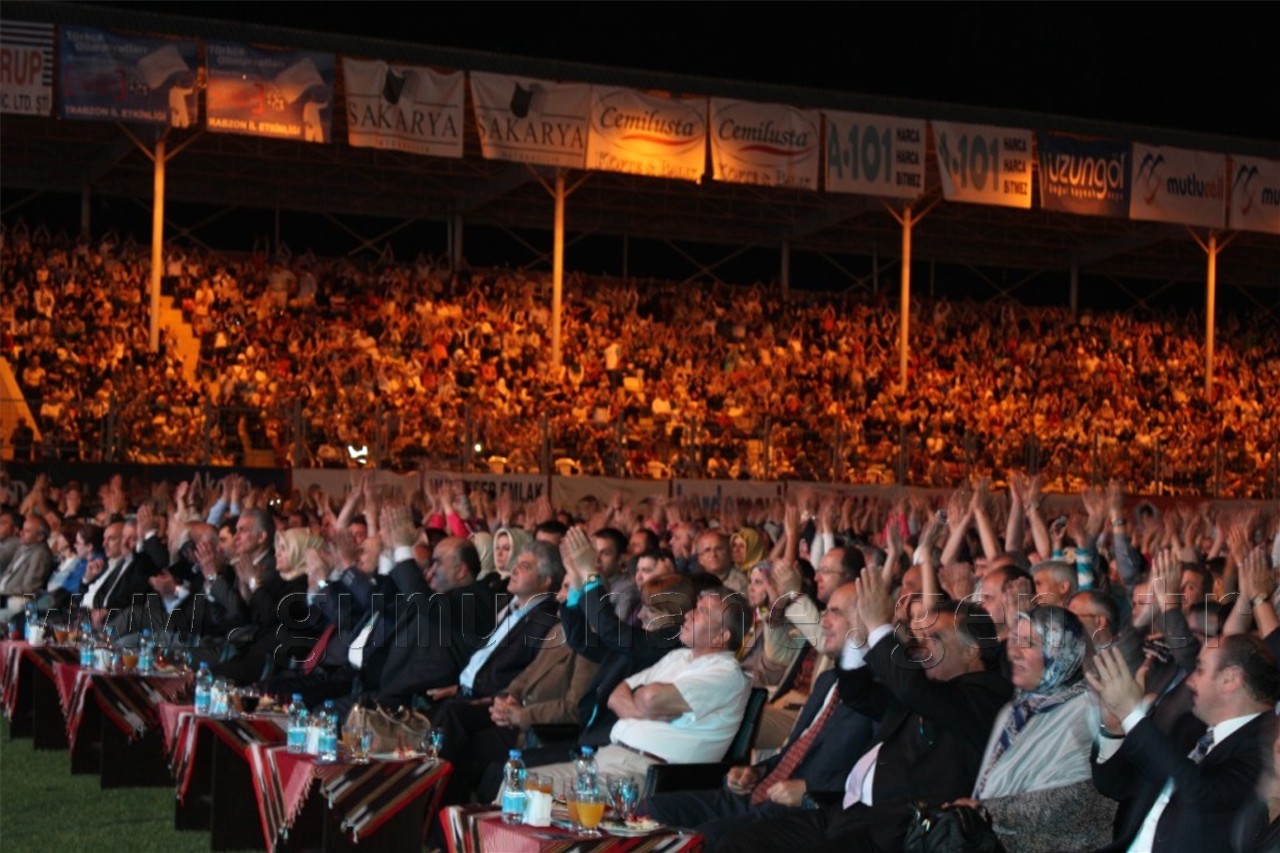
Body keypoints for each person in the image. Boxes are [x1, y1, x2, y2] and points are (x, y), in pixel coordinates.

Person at [719, 569, 1011, 852]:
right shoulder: (927, 689)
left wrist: (880, 627)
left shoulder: (985, 695)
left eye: (935, 639)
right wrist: (859, 638)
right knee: (734, 843)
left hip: (892, 832)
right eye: (921, 639)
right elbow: (858, 693)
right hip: (844, 812)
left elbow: (913, 691)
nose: (923, 648)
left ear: (972, 649)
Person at [645, 582, 876, 850]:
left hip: (802, 809)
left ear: (865, 620)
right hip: (758, 792)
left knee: (707, 838)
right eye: (824, 612)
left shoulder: (879, 694)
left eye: (835, 613)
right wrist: (755, 771)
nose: (822, 621)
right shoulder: (827, 681)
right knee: (651, 809)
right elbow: (795, 751)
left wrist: (809, 791)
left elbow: (872, 777)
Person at [529, 589, 751, 791]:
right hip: (605, 757)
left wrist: (645, 700)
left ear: (722, 636)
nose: (689, 615)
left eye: (702, 612)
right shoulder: (678, 657)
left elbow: (650, 696)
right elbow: (615, 695)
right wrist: (645, 709)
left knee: (531, 793)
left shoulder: (727, 674)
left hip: (644, 774)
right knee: (519, 781)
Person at [1088, 633, 1280, 852]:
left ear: (1230, 679)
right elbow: (1117, 786)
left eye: (1199, 669)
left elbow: (1202, 793)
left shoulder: (1266, 744)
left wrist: (1130, 714)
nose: (1189, 681)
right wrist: (1114, 729)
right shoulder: (1188, 727)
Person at [951, 606, 1116, 851]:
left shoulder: (1087, 712)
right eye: (1014, 640)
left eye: (1028, 643)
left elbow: (1079, 803)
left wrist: (983, 811)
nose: (1014, 653)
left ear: (1058, 651)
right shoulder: (1019, 707)